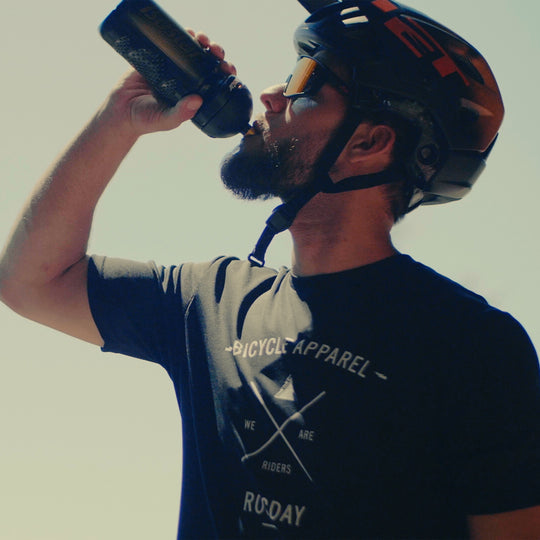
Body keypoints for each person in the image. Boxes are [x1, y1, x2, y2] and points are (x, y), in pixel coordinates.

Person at [1, 0, 539, 538]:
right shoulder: (210, 300)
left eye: (306, 79)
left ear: (369, 143)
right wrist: (117, 119)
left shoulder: (476, 346)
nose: (271, 95)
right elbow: (30, 281)